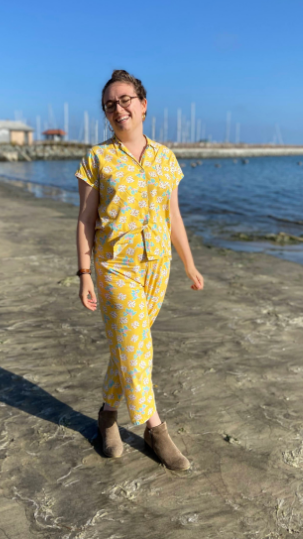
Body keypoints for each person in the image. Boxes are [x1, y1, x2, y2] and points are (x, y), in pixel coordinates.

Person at [76, 70, 204, 471]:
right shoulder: (97, 159)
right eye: (109, 104)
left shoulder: (166, 158)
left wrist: (189, 263)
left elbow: (174, 217)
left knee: (129, 346)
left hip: (157, 268)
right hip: (114, 267)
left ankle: (107, 415)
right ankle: (155, 429)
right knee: (137, 347)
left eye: (125, 99)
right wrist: (84, 273)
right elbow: (85, 220)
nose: (118, 108)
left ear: (143, 104)